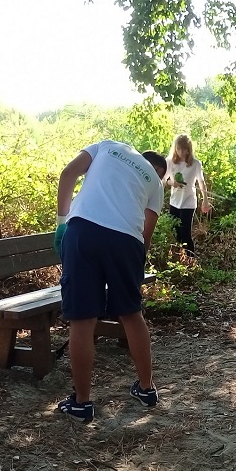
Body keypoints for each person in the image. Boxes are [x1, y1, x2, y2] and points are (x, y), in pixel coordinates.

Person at [53, 139, 167, 423]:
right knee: (131, 314)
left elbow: (68, 174)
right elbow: (146, 235)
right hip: (127, 241)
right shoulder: (156, 183)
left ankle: (82, 403)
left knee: (82, 319)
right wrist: (133, 268)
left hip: (84, 230)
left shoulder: (107, 146)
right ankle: (146, 389)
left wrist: (61, 223)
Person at [163, 133, 210, 256]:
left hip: (188, 202)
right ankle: (179, 260)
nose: (181, 152)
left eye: (184, 149)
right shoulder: (170, 162)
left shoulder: (195, 164)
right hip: (174, 202)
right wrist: (172, 183)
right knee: (175, 232)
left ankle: (191, 260)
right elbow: (163, 180)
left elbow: (201, 182)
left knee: (185, 234)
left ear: (189, 149)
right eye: (178, 148)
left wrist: (205, 200)